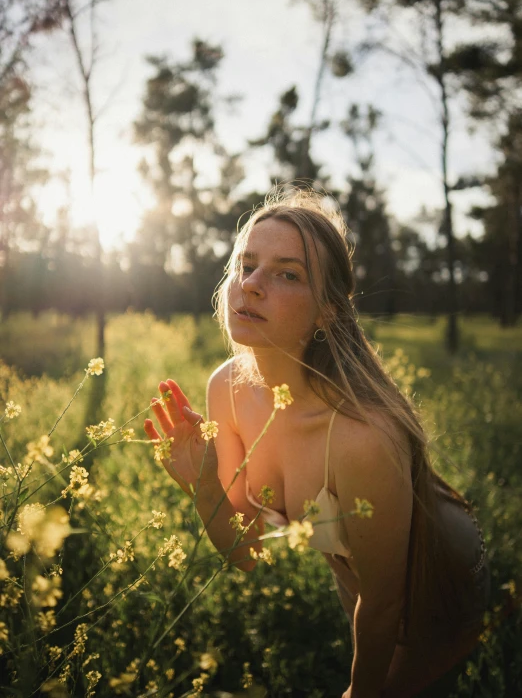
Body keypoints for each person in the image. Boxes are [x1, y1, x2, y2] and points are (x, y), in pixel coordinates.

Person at [144, 188, 490, 698]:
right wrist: (203, 487)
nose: (252, 285)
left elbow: (383, 604)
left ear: (328, 311)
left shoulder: (360, 434)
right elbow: (246, 554)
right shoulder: (227, 388)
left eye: (288, 273)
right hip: (362, 585)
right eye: (247, 264)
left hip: (442, 587)